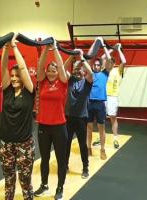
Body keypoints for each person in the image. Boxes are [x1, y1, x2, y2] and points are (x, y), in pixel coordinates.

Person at [0, 33, 35, 200]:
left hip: (24, 144)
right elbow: (2, 66)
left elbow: (23, 68)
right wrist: (5, 49)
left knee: (25, 180)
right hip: (6, 143)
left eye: (16, 76)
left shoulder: (29, 91)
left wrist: (14, 46)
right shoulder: (7, 91)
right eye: (11, 76)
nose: (13, 78)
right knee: (9, 179)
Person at [34, 40, 68, 200]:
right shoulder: (43, 82)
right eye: (50, 71)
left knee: (61, 159)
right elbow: (40, 67)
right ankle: (44, 184)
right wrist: (45, 50)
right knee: (44, 158)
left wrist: (54, 48)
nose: (51, 73)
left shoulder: (62, 82)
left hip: (59, 126)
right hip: (43, 126)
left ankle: (60, 188)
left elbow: (61, 67)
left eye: (53, 70)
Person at [64, 49, 93, 179]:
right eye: (75, 69)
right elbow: (63, 68)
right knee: (66, 143)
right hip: (68, 117)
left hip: (81, 118)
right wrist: (71, 57)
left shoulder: (87, 83)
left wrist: (82, 59)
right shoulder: (70, 80)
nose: (77, 70)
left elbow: (91, 73)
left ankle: (85, 167)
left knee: (82, 144)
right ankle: (65, 165)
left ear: (83, 71)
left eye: (80, 69)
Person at [92, 43, 126, 149]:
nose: (107, 62)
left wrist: (118, 49)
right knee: (100, 119)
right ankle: (100, 137)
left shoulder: (118, 71)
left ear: (113, 63)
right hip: (102, 97)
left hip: (112, 97)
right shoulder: (104, 71)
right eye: (107, 61)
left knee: (112, 118)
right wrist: (111, 49)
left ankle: (115, 138)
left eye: (109, 61)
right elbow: (102, 57)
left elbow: (124, 61)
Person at [86, 37, 113, 160]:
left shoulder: (104, 73)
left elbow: (108, 59)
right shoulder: (89, 74)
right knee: (89, 128)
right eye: (95, 65)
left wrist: (103, 45)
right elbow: (87, 57)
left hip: (100, 104)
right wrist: (95, 43)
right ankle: (88, 148)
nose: (96, 66)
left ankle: (102, 149)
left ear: (101, 66)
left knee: (101, 128)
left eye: (98, 65)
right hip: (90, 104)